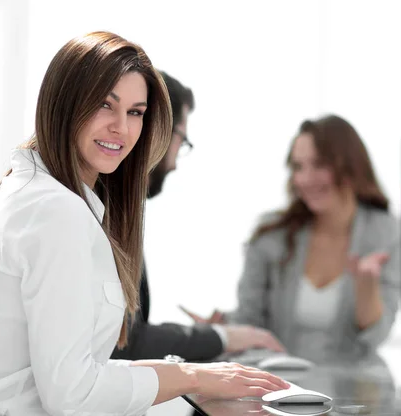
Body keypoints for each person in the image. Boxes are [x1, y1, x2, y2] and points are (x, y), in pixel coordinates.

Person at [0, 31, 289, 416]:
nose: (122, 128)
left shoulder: (37, 193)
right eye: (104, 105)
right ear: (63, 104)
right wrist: (193, 377)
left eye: (135, 112)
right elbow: (72, 395)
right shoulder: (56, 210)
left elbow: (79, 372)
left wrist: (192, 373)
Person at [187, 115, 401, 361]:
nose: (304, 179)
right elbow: (250, 321)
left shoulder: (384, 230)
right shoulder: (271, 234)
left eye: (319, 164)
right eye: (298, 167)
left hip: (355, 387)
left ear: (350, 165)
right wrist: (219, 331)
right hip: (282, 384)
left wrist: (366, 287)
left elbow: (376, 337)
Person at [111, 71, 285, 363]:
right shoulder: (103, 212)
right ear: (158, 132)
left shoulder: (116, 209)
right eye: (181, 138)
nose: (176, 163)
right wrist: (222, 338)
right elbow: (124, 341)